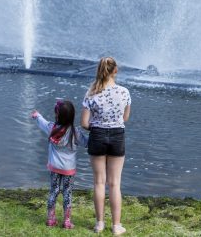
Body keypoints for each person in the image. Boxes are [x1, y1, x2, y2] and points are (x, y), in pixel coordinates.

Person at [81, 56, 131, 236]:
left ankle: (99, 224)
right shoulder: (124, 92)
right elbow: (125, 119)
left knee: (99, 182)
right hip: (117, 135)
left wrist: (97, 123)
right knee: (115, 183)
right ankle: (117, 226)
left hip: (97, 136)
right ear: (115, 70)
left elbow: (84, 123)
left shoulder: (91, 93)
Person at [31, 100, 87, 229]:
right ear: (72, 116)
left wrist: (37, 115)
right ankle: (67, 221)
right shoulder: (75, 132)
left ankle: (51, 219)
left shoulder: (52, 128)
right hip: (69, 170)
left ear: (57, 115)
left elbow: (42, 123)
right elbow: (87, 143)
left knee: (53, 191)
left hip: (55, 167)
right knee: (67, 193)